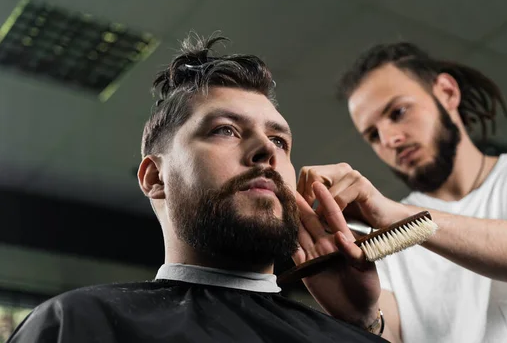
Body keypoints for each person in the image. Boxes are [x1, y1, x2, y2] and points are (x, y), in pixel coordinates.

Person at [7, 36, 395, 343]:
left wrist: (361, 326)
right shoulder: (79, 324)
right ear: (155, 178)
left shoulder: (352, 334)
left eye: (279, 141)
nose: (265, 150)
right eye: (224, 130)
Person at [297, 42, 507, 342]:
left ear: (447, 92)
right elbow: (390, 335)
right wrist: (361, 318)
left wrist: (397, 218)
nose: (390, 138)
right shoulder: (382, 233)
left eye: (398, 112)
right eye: (373, 135)